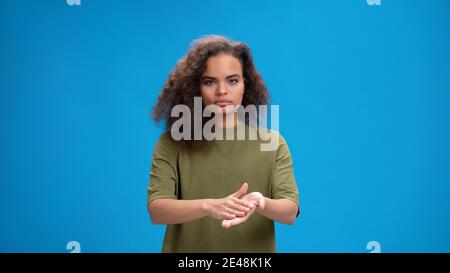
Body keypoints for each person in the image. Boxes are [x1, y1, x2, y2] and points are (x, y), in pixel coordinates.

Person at [147, 35, 300, 252]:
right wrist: (208, 206)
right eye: (209, 81)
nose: (222, 91)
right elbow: (157, 211)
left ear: (245, 84)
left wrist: (261, 202)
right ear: (194, 88)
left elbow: (290, 212)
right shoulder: (172, 143)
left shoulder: (272, 144)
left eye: (232, 80)